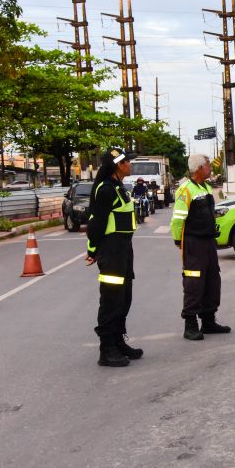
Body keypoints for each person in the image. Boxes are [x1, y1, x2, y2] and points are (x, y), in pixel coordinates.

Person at [85, 147, 142, 367]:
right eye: (128, 161)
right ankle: (106, 349)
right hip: (111, 250)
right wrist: (92, 251)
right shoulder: (106, 189)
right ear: (119, 165)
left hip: (124, 249)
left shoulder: (118, 187)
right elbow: (95, 223)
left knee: (124, 297)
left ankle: (118, 341)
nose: (130, 164)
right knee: (111, 299)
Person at [170, 154, 230, 340]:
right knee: (194, 283)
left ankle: (208, 321)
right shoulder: (185, 190)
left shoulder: (204, 187)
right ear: (199, 168)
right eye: (208, 166)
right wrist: (179, 241)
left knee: (212, 280)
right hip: (193, 242)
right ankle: (190, 324)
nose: (210, 169)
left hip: (208, 242)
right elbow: (178, 219)